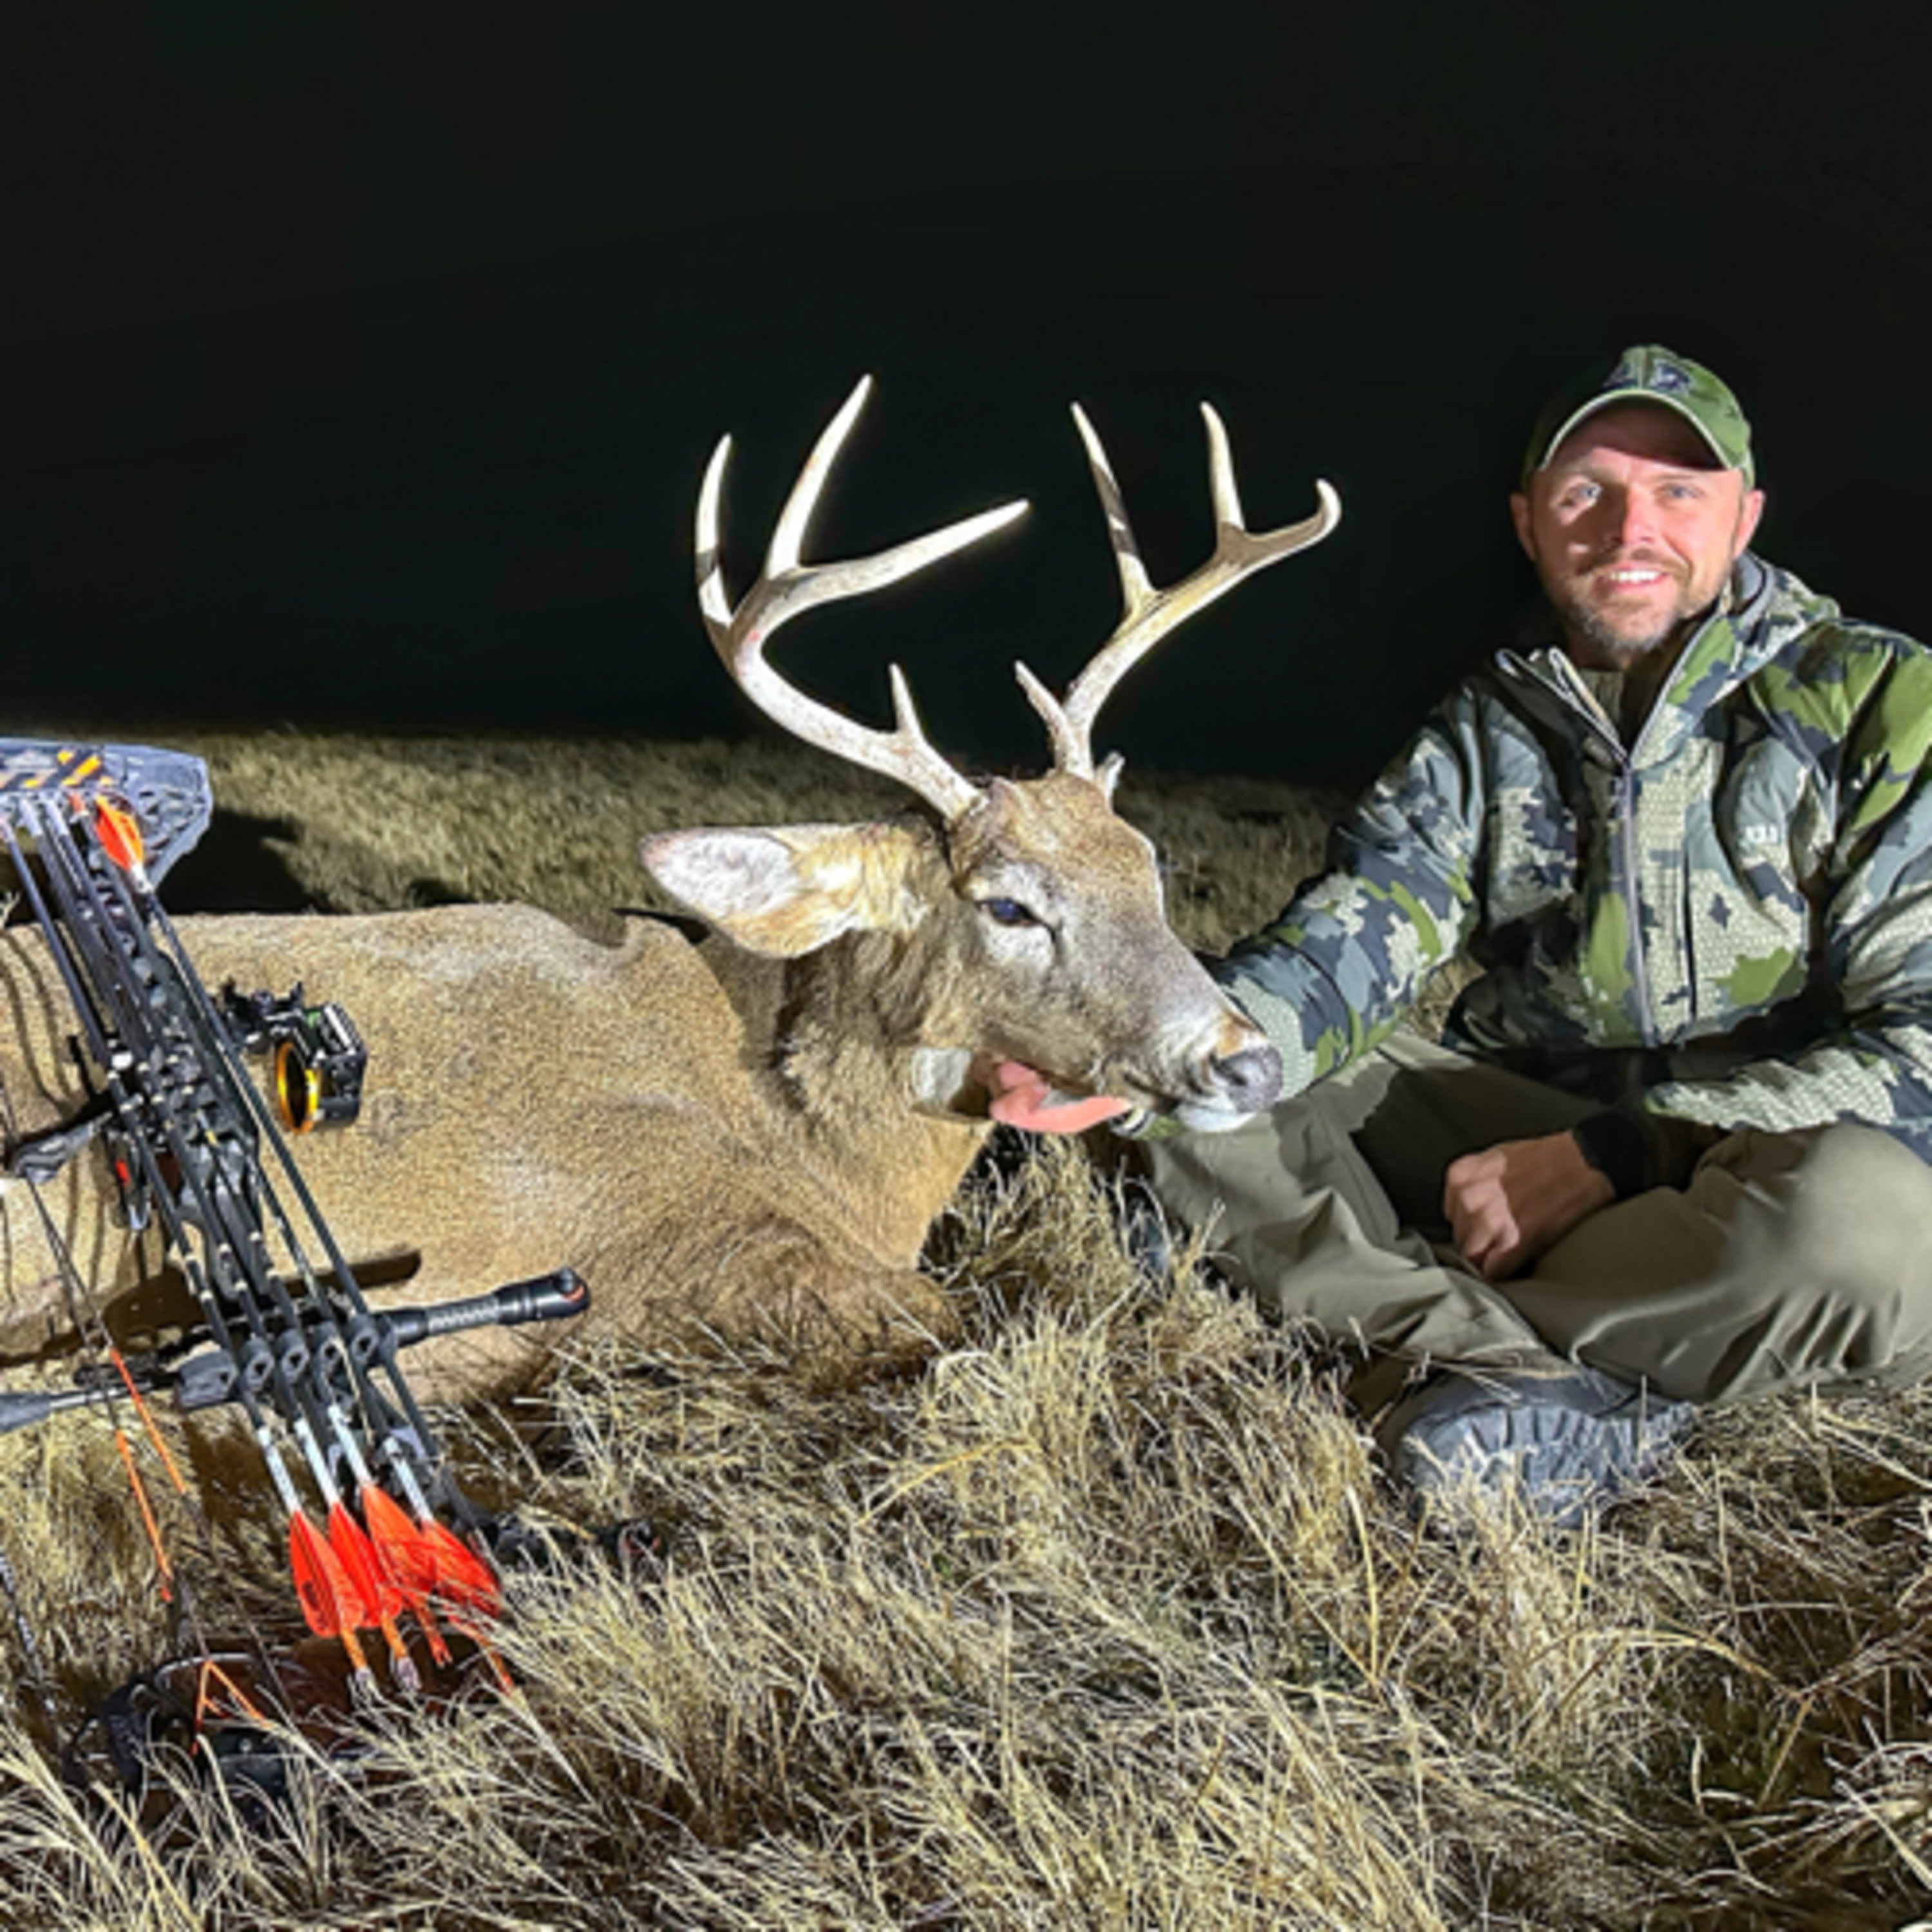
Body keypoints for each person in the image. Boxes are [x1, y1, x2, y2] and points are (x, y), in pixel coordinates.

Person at [998, 344, 1932, 1524]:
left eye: (1678, 491)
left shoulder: (1885, 705)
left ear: (1744, 518)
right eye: (1587, 491)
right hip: (1512, 1152)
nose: (1630, 529)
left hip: (1760, 1175)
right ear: (1529, 522)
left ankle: (1398, 1313)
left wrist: (1618, 1155)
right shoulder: (1487, 728)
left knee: (1862, 1230)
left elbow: (1922, 1048)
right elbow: (1347, 946)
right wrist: (1157, 1054)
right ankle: (1530, 1374)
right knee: (1201, 1055)